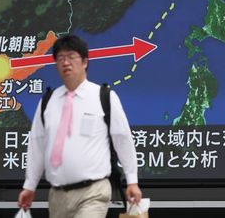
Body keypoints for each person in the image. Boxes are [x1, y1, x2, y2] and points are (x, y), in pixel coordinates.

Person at [18, 34, 142, 218]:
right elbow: (37, 145)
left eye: (71, 57)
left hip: (94, 192)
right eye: (60, 58)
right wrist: (29, 185)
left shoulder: (104, 96)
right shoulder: (48, 101)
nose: (66, 63)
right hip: (57, 195)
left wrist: (132, 180)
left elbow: (122, 139)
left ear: (85, 62)